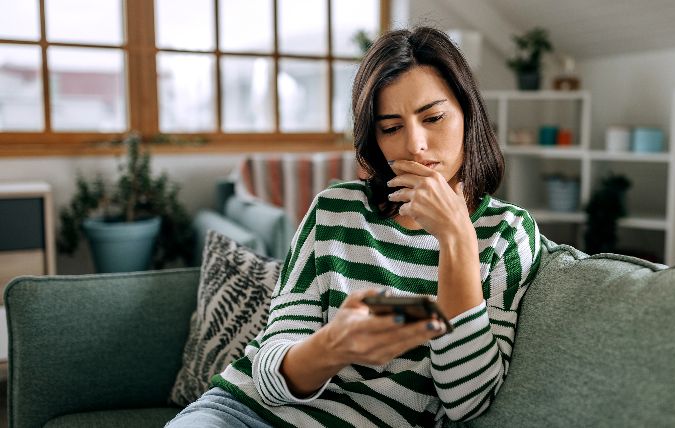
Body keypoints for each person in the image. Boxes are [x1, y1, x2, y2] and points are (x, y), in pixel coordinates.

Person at [167, 26, 542, 428]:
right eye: (391, 127)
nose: (415, 144)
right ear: (374, 138)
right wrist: (334, 345)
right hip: (242, 414)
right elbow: (268, 377)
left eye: (433, 117)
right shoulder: (335, 209)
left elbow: (467, 401)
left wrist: (457, 240)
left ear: (469, 115)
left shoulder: (507, 234)